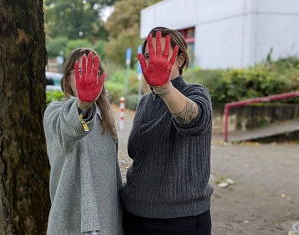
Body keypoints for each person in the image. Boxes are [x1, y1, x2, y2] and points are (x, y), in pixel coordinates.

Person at [122, 26, 213, 234]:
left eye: (161, 54)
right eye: (148, 56)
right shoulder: (145, 102)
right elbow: (137, 154)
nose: (153, 61)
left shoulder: (196, 93)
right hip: (135, 214)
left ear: (180, 60)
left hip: (181, 220)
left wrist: (165, 88)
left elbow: (193, 122)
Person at [44, 48, 124, 235]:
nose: (86, 77)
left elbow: (114, 180)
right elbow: (69, 129)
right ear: (67, 79)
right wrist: (83, 104)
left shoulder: (106, 122)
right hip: (71, 224)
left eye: (93, 71)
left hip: (106, 225)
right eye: (79, 71)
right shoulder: (55, 114)